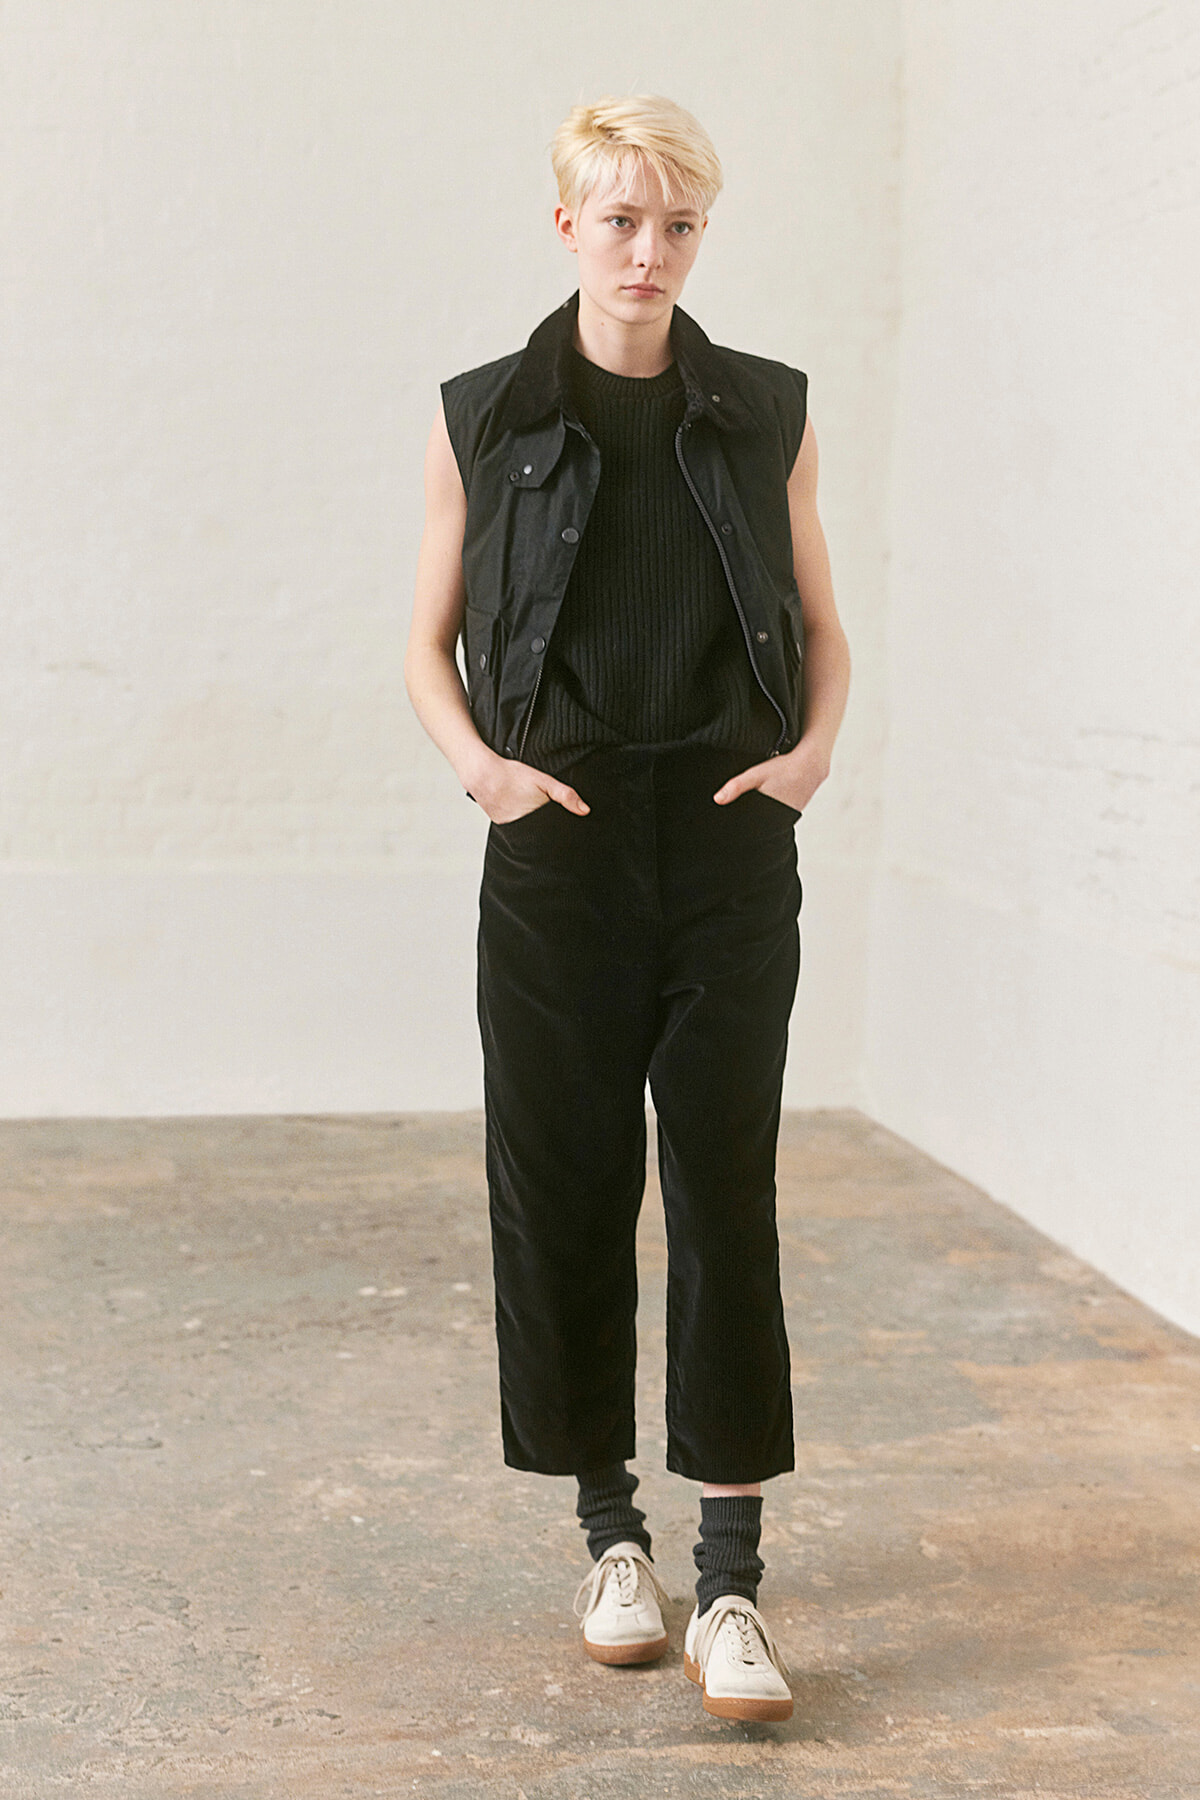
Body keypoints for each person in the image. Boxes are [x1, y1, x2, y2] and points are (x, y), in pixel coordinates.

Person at [405, 94, 850, 1723]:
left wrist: (808, 755)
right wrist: (485, 774)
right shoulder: (486, 415)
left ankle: (731, 1579)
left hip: (729, 845)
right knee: (566, 1185)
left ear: (700, 236)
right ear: (568, 225)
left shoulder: (767, 409)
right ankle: (614, 1538)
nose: (648, 250)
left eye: (678, 224)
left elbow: (820, 613)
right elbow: (424, 636)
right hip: (560, 844)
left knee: (725, 1193)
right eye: (621, 220)